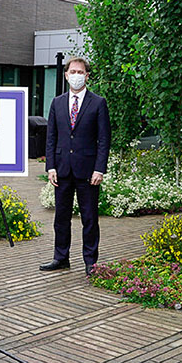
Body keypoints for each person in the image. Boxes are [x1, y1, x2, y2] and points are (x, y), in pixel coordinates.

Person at [40, 57, 111, 277]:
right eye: (73, 72)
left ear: (87, 76)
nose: (77, 75)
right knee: (61, 218)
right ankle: (61, 258)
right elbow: (51, 137)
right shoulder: (57, 103)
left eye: (81, 72)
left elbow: (104, 139)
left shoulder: (98, 103)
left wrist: (99, 169)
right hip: (62, 170)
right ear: (66, 75)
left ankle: (90, 262)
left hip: (88, 172)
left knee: (89, 218)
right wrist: (50, 167)